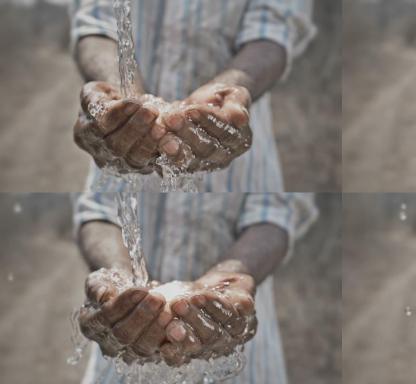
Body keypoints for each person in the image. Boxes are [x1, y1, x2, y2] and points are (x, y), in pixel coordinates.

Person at [70, 0, 316, 192]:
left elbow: (273, 31)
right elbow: (96, 21)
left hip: (238, 178)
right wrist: (120, 94)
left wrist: (226, 91)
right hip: (120, 155)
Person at [73, 192, 318, 383]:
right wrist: (117, 278)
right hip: (121, 365)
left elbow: (275, 214)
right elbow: (97, 208)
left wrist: (231, 274)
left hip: (243, 365)